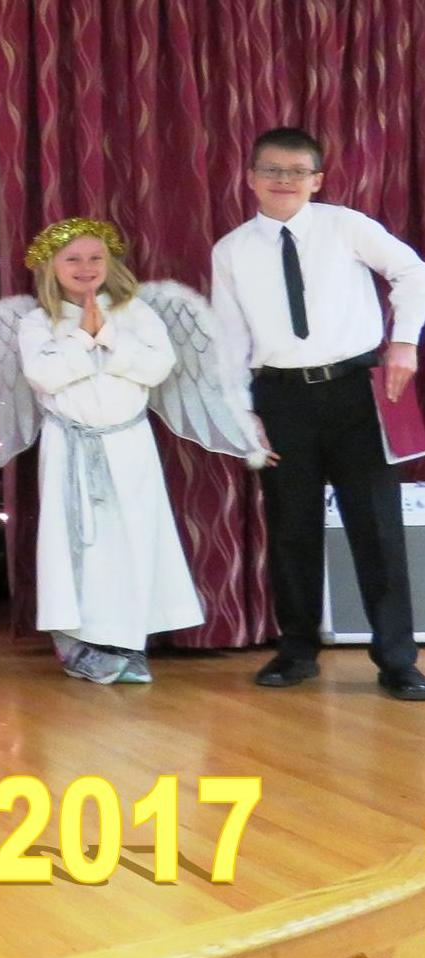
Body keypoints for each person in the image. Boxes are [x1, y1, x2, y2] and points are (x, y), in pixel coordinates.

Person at [209, 126, 425, 700]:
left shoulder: (346, 226)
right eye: (271, 170)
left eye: (297, 171)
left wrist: (405, 342)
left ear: (317, 179)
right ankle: (297, 651)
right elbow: (228, 337)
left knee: (377, 528)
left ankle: (398, 660)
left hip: (356, 393)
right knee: (291, 528)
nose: (284, 180)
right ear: (250, 178)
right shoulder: (231, 250)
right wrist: (243, 412)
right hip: (280, 399)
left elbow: (412, 272)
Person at [15, 219, 203, 683]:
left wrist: (110, 338)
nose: (85, 267)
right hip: (71, 447)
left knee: (131, 538)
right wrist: (83, 337)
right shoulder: (38, 322)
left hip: (129, 444)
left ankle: (128, 640)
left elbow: (157, 366)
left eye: (95, 258)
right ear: (51, 266)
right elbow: (44, 375)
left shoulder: (134, 313)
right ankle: (79, 642)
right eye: (73, 259)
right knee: (79, 541)